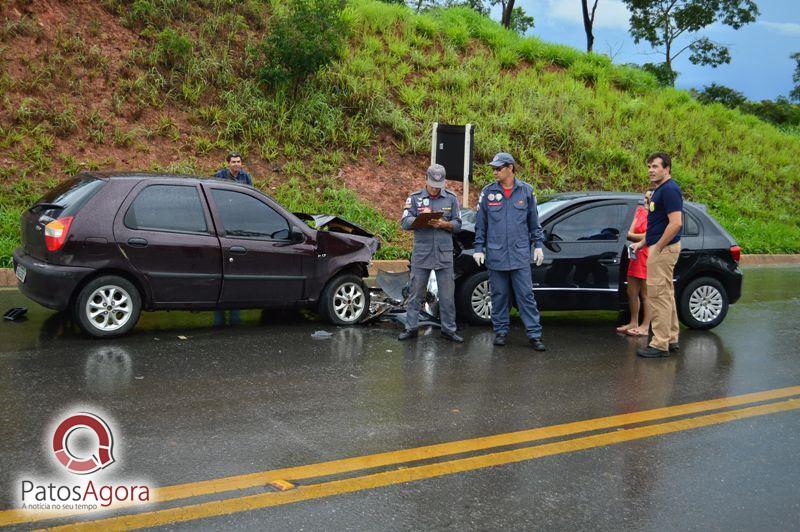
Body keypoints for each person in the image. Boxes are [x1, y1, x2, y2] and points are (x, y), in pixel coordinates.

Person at [473, 152, 546, 351]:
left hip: (520, 254)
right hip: (496, 255)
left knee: (526, 296)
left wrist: (538, 244)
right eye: (493, 169)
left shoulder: (526, 191)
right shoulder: (488, 193)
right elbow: (481, 224)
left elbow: (534, 222)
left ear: (510, 168)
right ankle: (501, 331)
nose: (494, 172)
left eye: (498, 168)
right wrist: (478, 248)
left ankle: (534, 335)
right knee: (498, 295)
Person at [398, 164, 463, 343]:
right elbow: (404, 222)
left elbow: (458, 224)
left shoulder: (451, 198)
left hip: (444, 254)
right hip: (422, 253)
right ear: (426, 180)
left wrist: (444, 224)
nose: (435, 188)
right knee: (415, 294)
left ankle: (449, 330)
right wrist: (421, 219)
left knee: (448, 296)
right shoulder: (415, 198)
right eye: (433, 184)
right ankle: (410, 328)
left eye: (439, 185)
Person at [632, 153, 683, 358]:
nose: (650, 170)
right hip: (659, 247)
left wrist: (658, 246)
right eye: (649, 166)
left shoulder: (670, 189)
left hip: (663, 250)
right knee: (666, 294)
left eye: (655, 166)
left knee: (658, 296)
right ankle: (671, 339)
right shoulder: (660, 190)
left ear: (667, 168)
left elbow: (676, 223)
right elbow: (658, 224)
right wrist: (643, 243)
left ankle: (659, 344)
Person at [616, 189, 653, 337]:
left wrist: (637, 237)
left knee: (646, 293)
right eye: (645, 198)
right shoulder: (639, 211)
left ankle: (645, 326)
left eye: (649, 199)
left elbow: (650, 236)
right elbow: (629, 233)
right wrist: (640, 237)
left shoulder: (656, 215)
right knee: (631, 291)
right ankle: (633, 321)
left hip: (648, 255)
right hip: (636, 254)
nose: (646, 201)